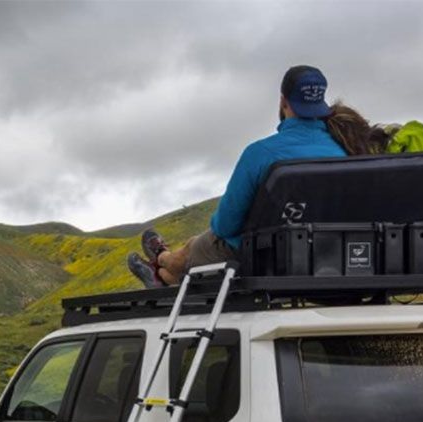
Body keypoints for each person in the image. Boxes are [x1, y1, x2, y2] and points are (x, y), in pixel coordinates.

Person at [128, 65, 348, 287]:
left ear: (283, 101)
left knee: (196, 246)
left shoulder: (260, 153)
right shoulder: (343, 152)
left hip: (256, 258)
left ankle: (161, 260)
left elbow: (225, 226)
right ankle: (162, 276)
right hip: (322, 256)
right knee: (196, 248)